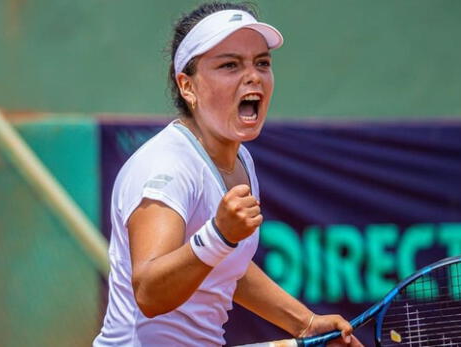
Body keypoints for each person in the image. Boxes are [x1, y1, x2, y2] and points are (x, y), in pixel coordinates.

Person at [94, 2, 363, 346]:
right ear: (187, 86)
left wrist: (305, 323)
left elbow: (224, 269)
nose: (253, 76)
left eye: (262, 63)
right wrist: (219, 235)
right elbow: (149, 292)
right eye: (230, 65)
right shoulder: (165, 167)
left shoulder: (240, 160)